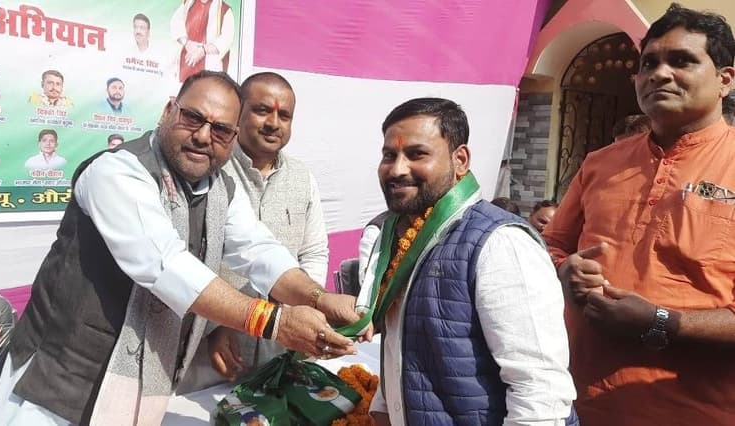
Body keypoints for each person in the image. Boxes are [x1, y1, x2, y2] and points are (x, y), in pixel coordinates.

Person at [0, 70, 364, 426]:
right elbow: (165, 264)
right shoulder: (117, 171)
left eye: (220, 130)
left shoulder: (219, 188)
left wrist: (318, 298)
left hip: (134, 385)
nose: (203, 136)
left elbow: (258, 249)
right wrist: (275, 322)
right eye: (193, 118)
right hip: (54, 384)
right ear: (169, 110)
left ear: (233, 138)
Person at [542, 4, 735, 425]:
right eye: (648, 63)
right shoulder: (601, 163)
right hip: (579, 404)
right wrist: (564, 270)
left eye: (681, 60)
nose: (659, 74)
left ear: (725, 79)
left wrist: (661, 322)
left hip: (700, 412)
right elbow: (552, 245)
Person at [361, 98, 576, 425]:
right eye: (389, 155)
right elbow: (403, 346)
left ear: (460, 160)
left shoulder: (501, 242)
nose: (397, 169)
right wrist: (385, 404)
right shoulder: (398, 234)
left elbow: (540, 391)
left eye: (417, 154)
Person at [178, 72, 329, 392]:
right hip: (213, 352)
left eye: (284, 115)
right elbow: (185, 259)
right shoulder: (209, 168)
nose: (273, 123)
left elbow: (313, 252)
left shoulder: (302, 177)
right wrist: (216, 323)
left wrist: (307, 305)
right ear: (238, 113)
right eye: (262, 110)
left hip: (282, 348)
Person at [170, 0, 235, 83]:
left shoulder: (225, 10)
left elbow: (226, 39)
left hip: (209, 68)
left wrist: (203, 50)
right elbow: (175, 23)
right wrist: (187, 43)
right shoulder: (188, 3)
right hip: (185, 64)